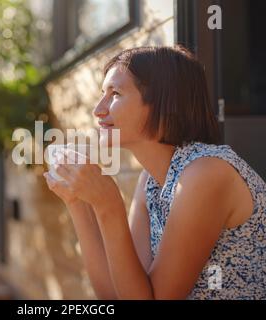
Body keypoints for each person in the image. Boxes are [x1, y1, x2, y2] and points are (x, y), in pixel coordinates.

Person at [43, 45, 266, 300]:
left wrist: (109, 204)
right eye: (102, 93)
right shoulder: (149, 180)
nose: (98, 110)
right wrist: (78, 203)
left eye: (114, 93)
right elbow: (115, 295)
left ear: (164, 103)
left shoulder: (206, 173)